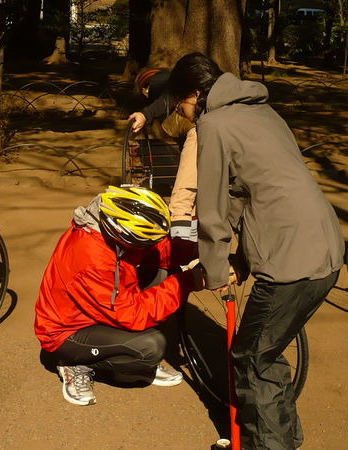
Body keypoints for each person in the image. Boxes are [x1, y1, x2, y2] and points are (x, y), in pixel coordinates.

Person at [167, 52, 345, 450]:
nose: (183, 112)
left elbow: (212, 207)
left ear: (195, 93)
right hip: (325, 246)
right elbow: (247, 193)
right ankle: (281, 439)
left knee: (250, 358)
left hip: (289, 258)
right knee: (266, 351)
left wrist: (214, 270)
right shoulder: (265, 111)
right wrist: (236, 259)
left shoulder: (213, 123)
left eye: (181, 103)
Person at [34, 185, 205, 406]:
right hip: (67, 331)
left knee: (163, 271)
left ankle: (114, 350)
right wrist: (189, 281)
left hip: (100, 309)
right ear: (121, 234)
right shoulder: (91, 258)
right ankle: (76, 364)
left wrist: (205, 250)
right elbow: (133, 314)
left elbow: (158, 250)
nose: (148, 244)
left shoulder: (111, 225)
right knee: (150, 348)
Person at [127, 67, 199, 241]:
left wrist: (146, 114)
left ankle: (181, 241)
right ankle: (193, 239)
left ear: (145, 87)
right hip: (202, 136)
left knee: (183, 195)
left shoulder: (161, 85)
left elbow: (166, 100)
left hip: (195, 134)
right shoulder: (179, 79)